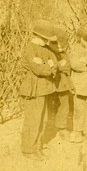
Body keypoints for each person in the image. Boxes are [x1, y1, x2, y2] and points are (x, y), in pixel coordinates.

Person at [20, 20, 58, 161]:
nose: (47, 42)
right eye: (46, 39)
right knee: (33, 119)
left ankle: (37, 146)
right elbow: (39, 69)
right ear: (37, 36)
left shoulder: (47, 50)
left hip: (45, 89)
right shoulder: (31, 49)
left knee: (43, 119)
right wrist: (48, 66)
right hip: (34, 89)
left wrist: (49, 66)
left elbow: (55, 65)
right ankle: (28, 149)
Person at [48, 26, 74, 140]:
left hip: (63, 84)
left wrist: (57, 67)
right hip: (50, 84)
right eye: (56, 45)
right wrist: (59, 66)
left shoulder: (64, 54)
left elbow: (67, 67)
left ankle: (62, 127)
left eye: (61, 45)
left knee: (64, 106)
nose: (59, 48)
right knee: (50, 106)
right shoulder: (48, 53)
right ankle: (49, 126)